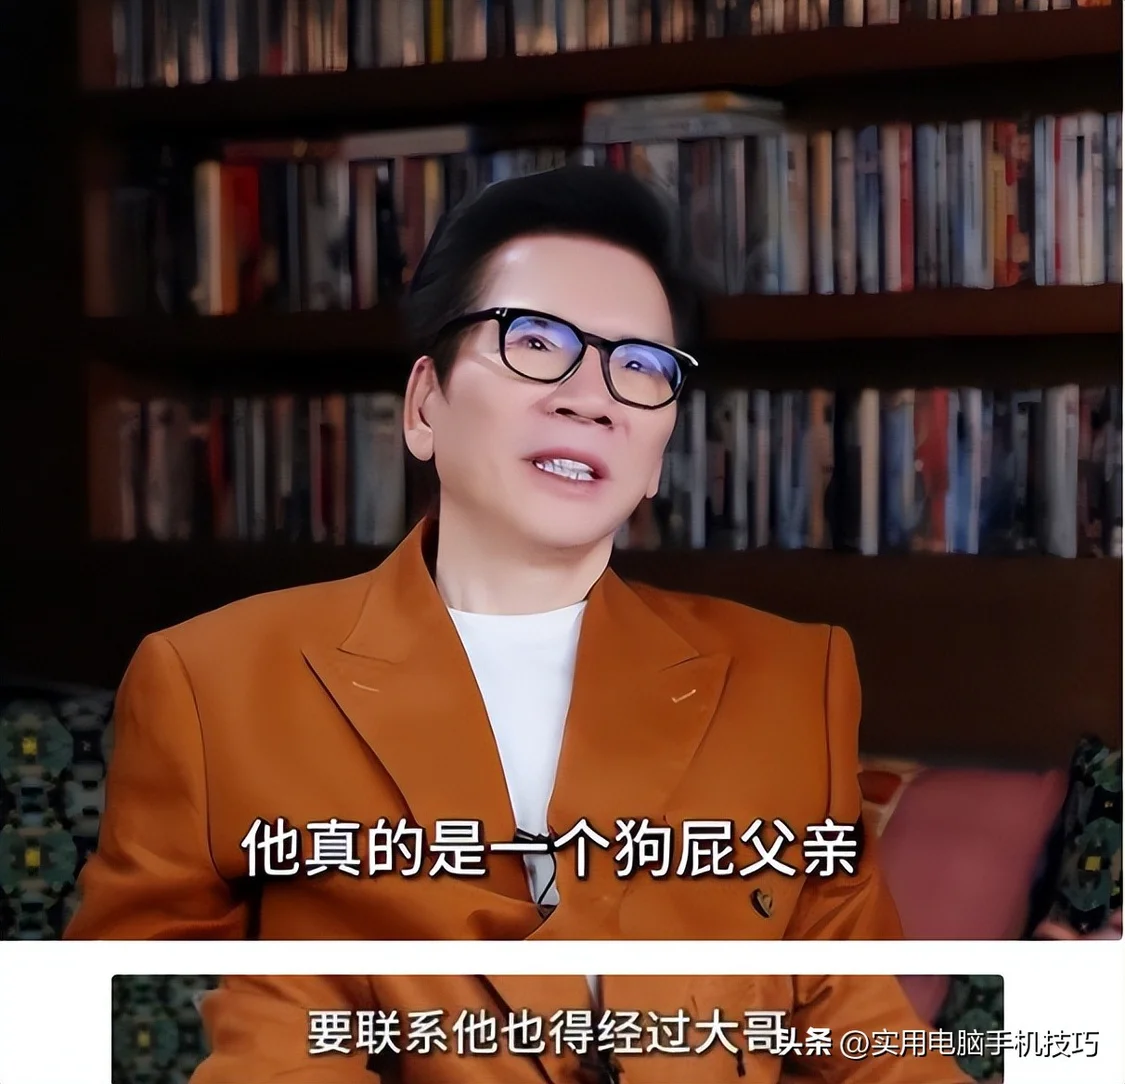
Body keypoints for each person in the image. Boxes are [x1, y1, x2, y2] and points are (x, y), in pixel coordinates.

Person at [68, 166, 968, 1082]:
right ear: (424, 405)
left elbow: (859, 1027)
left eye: (641, 367)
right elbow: (140, 1029)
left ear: (660, 454)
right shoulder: (211, 682)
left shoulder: (791, 677)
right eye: (535, 341)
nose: (590, 397)